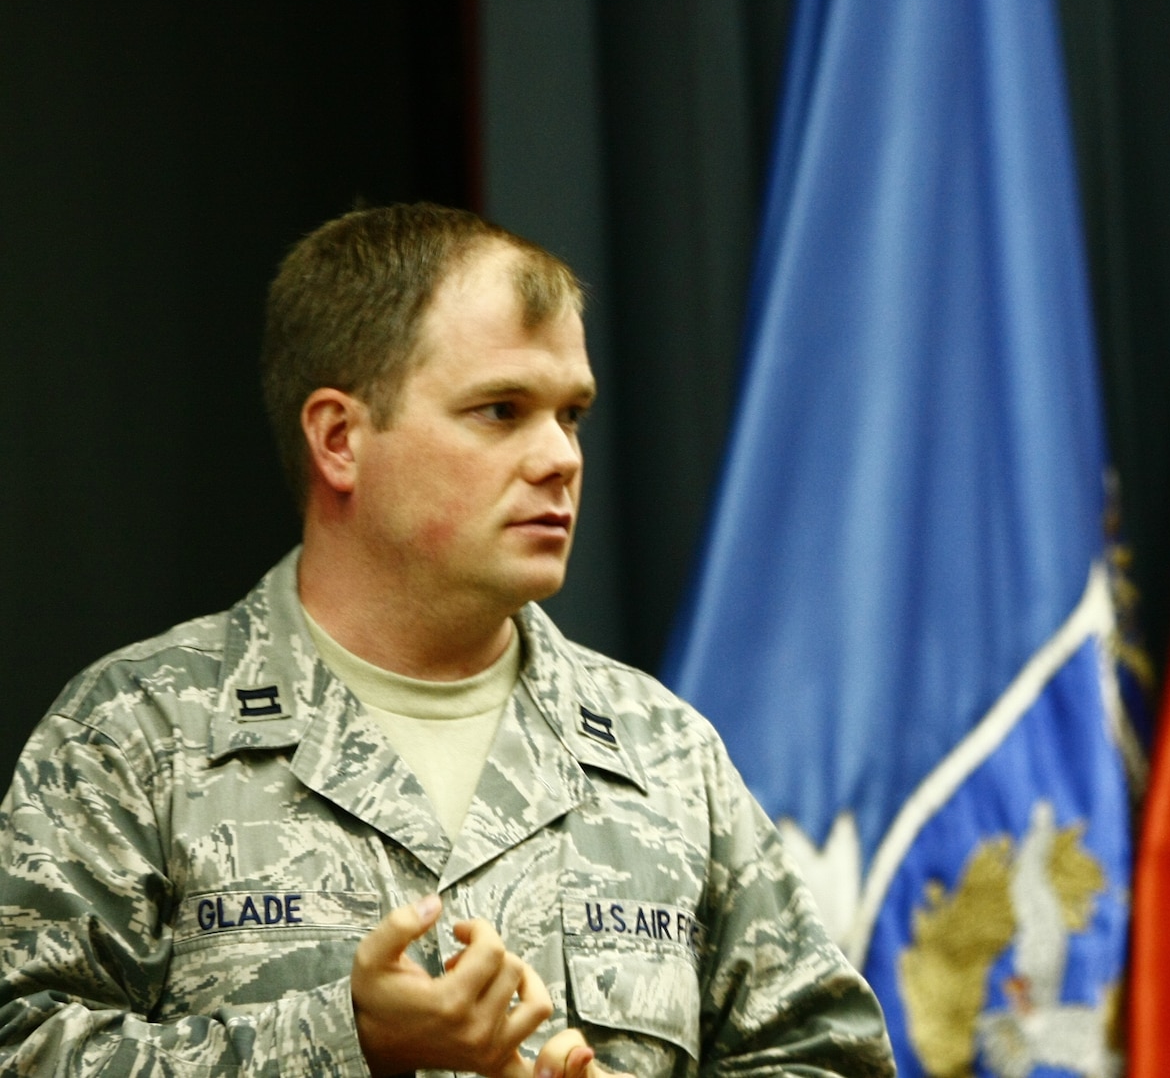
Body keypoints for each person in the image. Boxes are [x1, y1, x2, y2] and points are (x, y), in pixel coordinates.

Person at [0, 205, 894, 1078]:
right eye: (501, 410)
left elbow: (826, 1055)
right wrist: (343, 1042)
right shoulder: (137, 734)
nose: (560, 457)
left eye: (571, 413)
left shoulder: (663, 751)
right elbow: (21, 1044)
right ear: (340, 439)